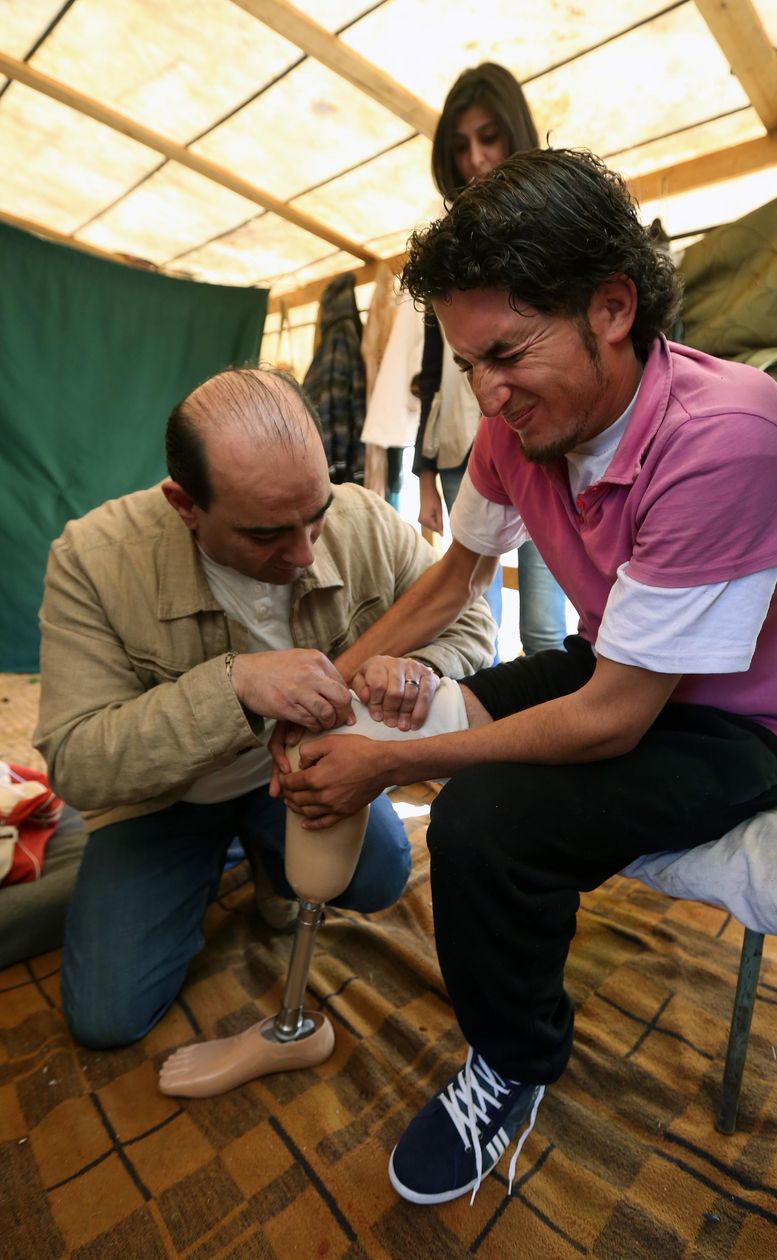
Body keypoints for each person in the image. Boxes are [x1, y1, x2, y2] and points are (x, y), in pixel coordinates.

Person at [277, 148, 777, 1206]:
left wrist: (389, 766)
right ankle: (393, 769)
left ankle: (513, 1057)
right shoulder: (518, 429)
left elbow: (604, 722)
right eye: (467, 366)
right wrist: (341, 676)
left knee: (481, 826)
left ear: (609, 305)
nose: (487, 397)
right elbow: (456, 575)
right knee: (389, 712)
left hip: (743, 720)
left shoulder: (723, 440)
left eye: (505, 352)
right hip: (625, 662)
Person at [33, 366, 494, 1050]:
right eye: (266, 533)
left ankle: (269, 852)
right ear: (184, 504)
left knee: (380, 874)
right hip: (169, 800)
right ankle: (216, 859)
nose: (304, 552)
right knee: (108, 1014)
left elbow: (471, 619)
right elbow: (76, 762)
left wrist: (416, 670)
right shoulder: (94, 561)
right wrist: (234, 686)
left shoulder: (362, 519)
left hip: (304, 779)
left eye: (315, 515)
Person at [413, 62, 568, 656]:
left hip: (541, 444)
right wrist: (424, 473)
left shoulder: (556, 231)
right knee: (479, 618)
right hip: (463, 448)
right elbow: (434, 374)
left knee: (544, 623)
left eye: (488, 137)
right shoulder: (446, 253)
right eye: (460, 146)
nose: (475, 159)